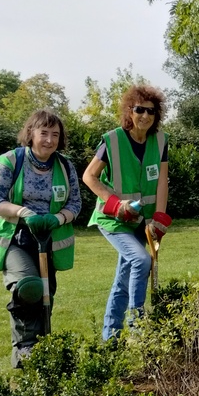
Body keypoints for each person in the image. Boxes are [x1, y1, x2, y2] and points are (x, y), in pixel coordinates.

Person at [0, 109, 82, 367]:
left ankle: (42, 352)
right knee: (29, 287)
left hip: (48, 238)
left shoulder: (64, 165)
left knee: (47, 296)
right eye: (44, 133)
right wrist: (24, 213)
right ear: (30, 134)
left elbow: (75, 203)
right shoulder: (10, 161)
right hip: (15, 237)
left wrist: (57, 219)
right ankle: (26, 348)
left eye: (55, 135)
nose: (49, 140)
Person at [82, 84, 172, 339]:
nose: (145, 116)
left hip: (141, 222)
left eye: (151, 112)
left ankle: (110, 337)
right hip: (113, 219)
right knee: (141, 261)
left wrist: (160, 218)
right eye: (139, 110)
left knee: (124, 277)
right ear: (129, 111)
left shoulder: (161, 141)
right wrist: (115, 204)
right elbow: (89, 176)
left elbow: (162, 182)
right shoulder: (112, 140)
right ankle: (137, 324)